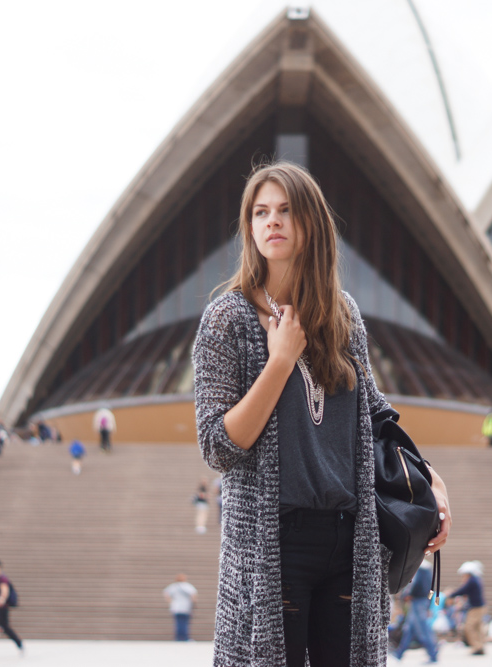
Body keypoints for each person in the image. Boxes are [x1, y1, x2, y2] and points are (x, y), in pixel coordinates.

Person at [193, 161, 452, 667]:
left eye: (286, 211)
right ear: (249, 226)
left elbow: (376, 417)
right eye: (261, 212)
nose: (272, 222)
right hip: (275, 541)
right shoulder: (228, 319)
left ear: (312, 223)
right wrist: (281, 359)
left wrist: (433, 484)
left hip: (350, 539)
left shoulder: (343, 314)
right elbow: (218, 446)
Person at [393, 559, 437, 663]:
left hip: (417, 601)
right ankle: (399, 653)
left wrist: (407, 595)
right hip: (420, 601)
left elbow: (414, 585)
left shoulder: (420, 568)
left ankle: (433, 654)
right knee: (410, 629)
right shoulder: (427, 569)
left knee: (422, 628)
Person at [446, 561, 486, 656]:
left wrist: (451, 595)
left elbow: (462, 590)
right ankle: (480, 646)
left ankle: (477, 646)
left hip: (476, 608)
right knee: (477, 627)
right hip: (479, 606)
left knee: (469, 627)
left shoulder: (472, 581)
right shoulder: (475, 579)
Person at [163, 574, 198, 641]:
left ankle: (178, 637)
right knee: (184, 623)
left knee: (178, 623)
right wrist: (193, 602)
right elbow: (193, 594)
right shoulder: (187, 586)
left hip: (176, 607)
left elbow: (166, 593)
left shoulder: (173, 586)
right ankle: (185, 637)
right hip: (185, 607)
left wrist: (171, 601)